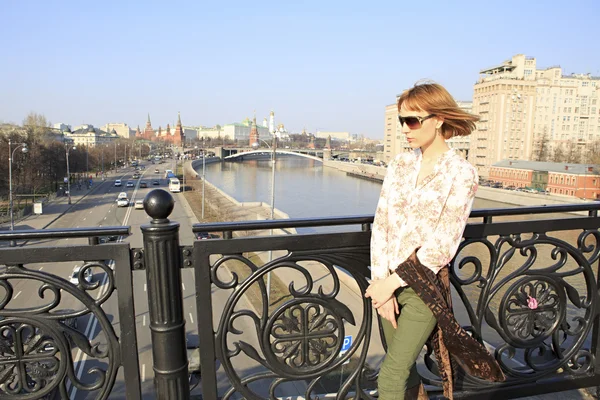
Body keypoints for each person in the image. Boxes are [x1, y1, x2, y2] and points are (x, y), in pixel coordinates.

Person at [365, 81, 504, 400]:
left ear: (439, 119)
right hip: (386, 288)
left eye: (412, 120)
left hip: (422, 289)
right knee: (408, 376)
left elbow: (443, 244)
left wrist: (393, 283)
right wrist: (380, 284)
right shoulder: (399, 165)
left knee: (390, 377)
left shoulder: (462, 173)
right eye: (402, 121)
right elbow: (382, 225)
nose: (406, 129)